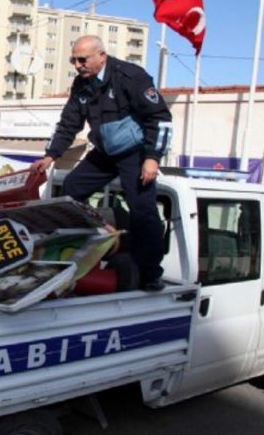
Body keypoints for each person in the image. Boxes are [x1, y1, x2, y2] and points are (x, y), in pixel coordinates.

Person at [31, 35, 173, 291]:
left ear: (101, 56)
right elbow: (68, 124)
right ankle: (100, 235)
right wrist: (49, 156)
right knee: (71, 189)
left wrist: (152, 158)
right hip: (105, 152)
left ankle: (151, 273)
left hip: (135, 153)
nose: (77, 65)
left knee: (143, 211)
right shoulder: (81, 85)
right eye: (74, 60)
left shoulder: (131, 76)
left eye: (82, 59)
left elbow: (160, 118)